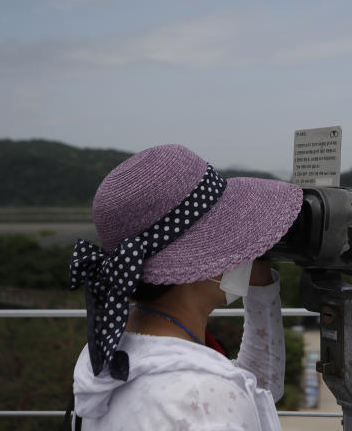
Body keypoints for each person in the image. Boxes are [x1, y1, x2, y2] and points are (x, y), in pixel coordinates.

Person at [68, 144, 303, 430]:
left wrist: (262, 287)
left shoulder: (111, 351)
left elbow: (258, 387)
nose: (248, 252)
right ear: (202, 257)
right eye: (234, 234)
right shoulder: (202, 396)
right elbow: (223, 397)